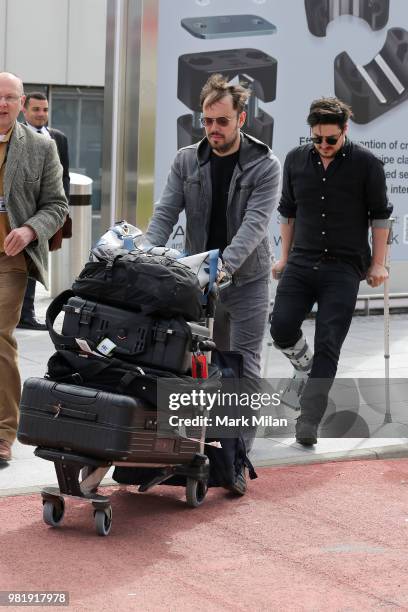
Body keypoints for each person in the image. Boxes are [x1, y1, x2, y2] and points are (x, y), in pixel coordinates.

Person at [145, 73, 281, 490]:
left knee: (241, 366)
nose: (213, 130)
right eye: (206, 121)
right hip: (198, 279)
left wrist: (222, 269)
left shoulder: (265, 165)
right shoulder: (187, 160)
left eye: (221, 121)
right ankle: (188, 452)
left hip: (248, 281)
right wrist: (146, 258)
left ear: (241, 118)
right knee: (192, 366)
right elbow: (165, 214)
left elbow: (255, 227)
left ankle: (235, 461)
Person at [269, 96, 393, 446]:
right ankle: (304, 368)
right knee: (280, 327)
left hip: (343, 265)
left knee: (329, 342)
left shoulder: (367, 164)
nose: (323, 146)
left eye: (331, 140)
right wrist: (284, 257)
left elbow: (380, 217)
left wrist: (379, 262)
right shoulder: (295, 160)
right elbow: (288, 212)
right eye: (317, 139)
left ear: (345, 131)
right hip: (302, 260)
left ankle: (309, 419)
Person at [0, 73, 68, 462]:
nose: (3, 104)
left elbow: (56, 205)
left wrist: (28, 230)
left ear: (22, 103)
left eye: (11, 97)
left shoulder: (41, 148)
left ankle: (4, 430)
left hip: (10, 260)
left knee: (0, 336)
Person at [17, 91, 70, 330]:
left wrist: (62, 210)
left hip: (48, 214)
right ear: (24, 110)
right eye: (36, 109)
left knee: (36, 261)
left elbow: (64, 176)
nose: (41, 114)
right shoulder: (15, 137)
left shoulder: (58, 138)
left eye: (45, 110)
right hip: (21, 213)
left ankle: (25, 312)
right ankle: (22, 312)